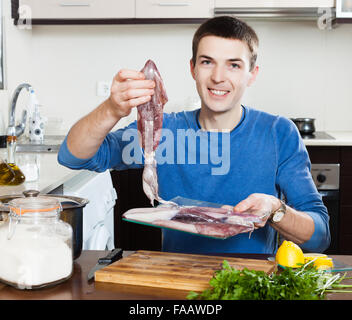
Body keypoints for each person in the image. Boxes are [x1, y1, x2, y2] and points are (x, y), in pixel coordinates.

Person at [58, 16, 330, 254]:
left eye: (234, 65)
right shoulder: (163, 132)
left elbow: (319, 235)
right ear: (193, 68)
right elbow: (74, 156)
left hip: (252, 280)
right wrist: (111, 109)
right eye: (207, 62)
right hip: (179, 278)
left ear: (252, 74)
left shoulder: (278, 133)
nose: (218, 77)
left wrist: (275, 210)